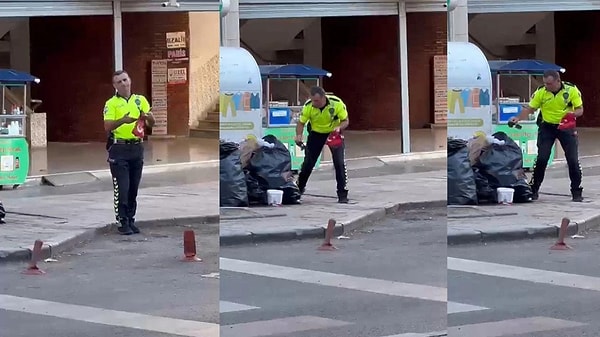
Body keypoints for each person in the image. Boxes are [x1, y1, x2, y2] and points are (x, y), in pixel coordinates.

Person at [509, 69, 584, 202]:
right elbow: (530, 108)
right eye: (545, 83)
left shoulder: (571, 90)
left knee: (572, 160)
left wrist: (571, 115)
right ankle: (534, 189)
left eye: (550, 84)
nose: (547, 86)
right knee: (542, 159)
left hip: (565, 127)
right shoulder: (541, 92)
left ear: (558, 81)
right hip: (547, 127)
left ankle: (576, 191)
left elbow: (580, 109)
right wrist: (518, 118)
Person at [103, 70, 155, 235]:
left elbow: (152, 124)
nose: (123, 84)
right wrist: (122, 121)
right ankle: (122, 221)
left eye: (125, 80)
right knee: (122, 188)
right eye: (119, 82)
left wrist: (148, 118)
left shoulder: (140, 100)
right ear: (115, 86)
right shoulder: (111, 103)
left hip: (137, 147)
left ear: (130, 80)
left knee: (133, 188)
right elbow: (107, 126)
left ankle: (131, 219)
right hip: (119, 149)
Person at [294, 86, 350, 203]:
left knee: (339, 163)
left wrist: (339, 127)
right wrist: (299, 135)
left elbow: (345, 120)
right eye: (313, 100)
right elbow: (301, 123)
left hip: (333, 133)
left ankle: (342, 193)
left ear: (324, 98)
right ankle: (298, 189)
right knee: (308, 163)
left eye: (317, 101)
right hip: (316, 134)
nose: (314, 103)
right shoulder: (309, 106)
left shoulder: (337, 103)